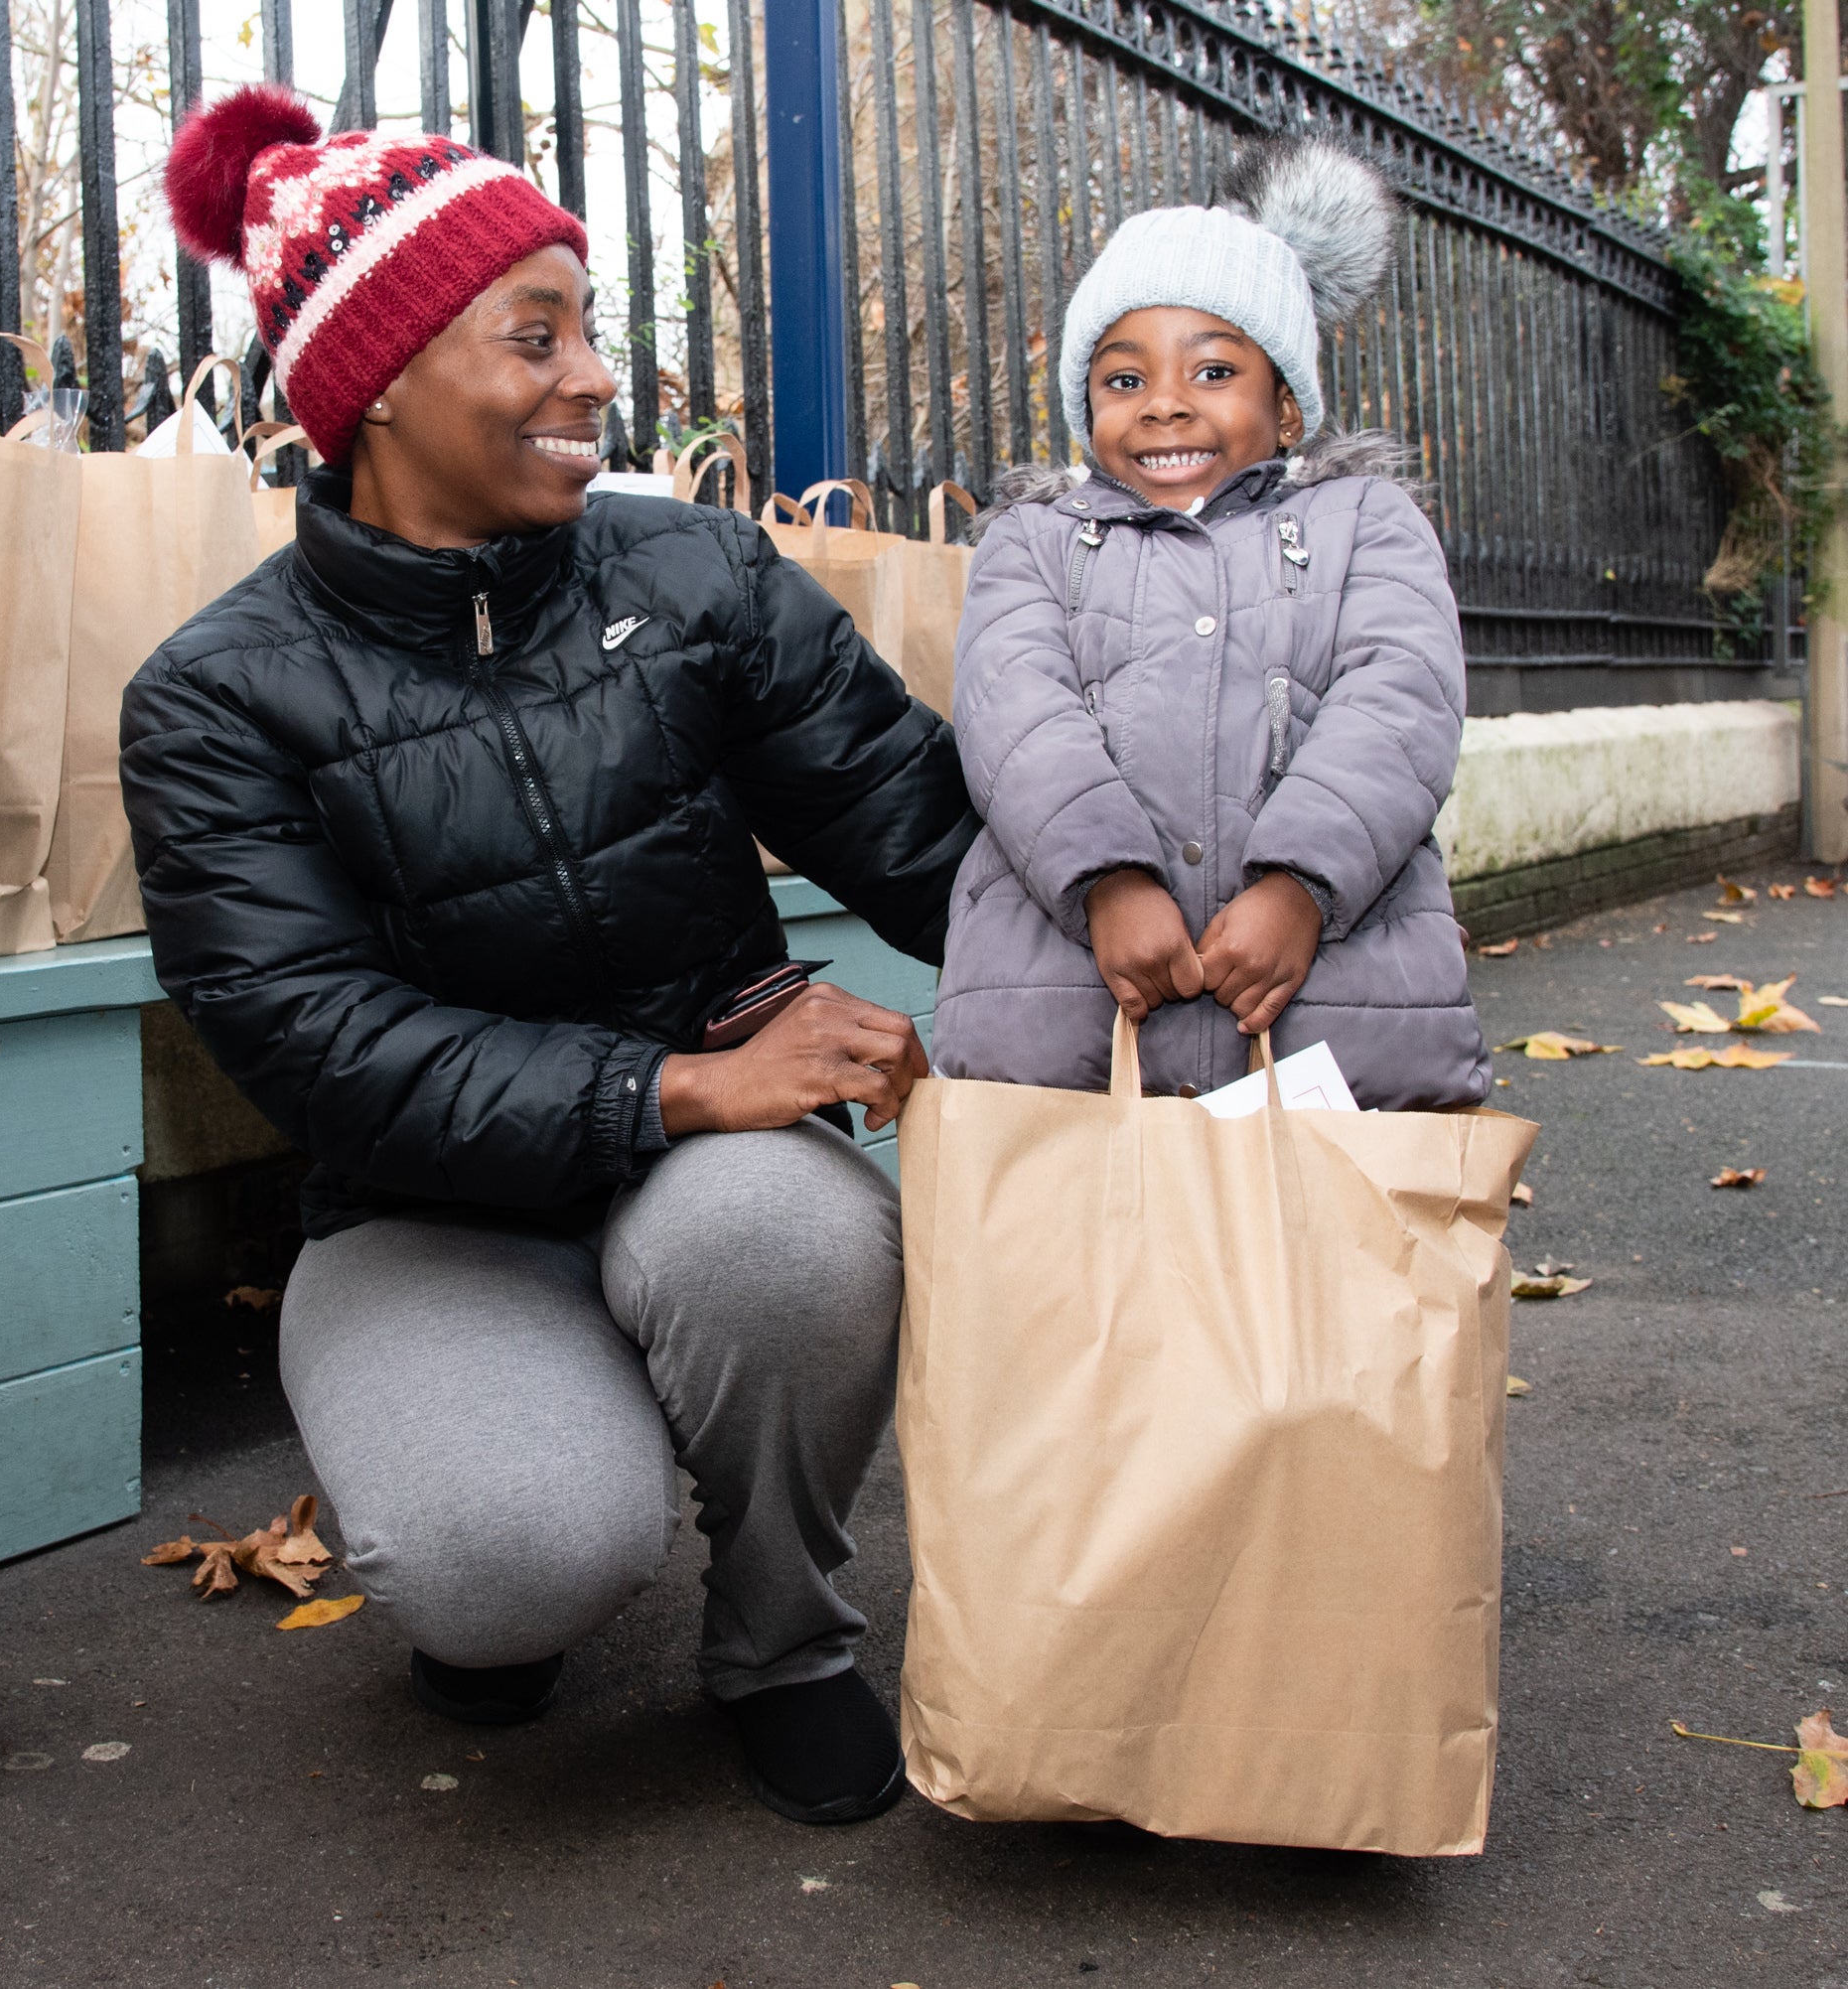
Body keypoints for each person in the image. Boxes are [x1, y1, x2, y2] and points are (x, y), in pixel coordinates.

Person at [121, 85, 977, 1824]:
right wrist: (679, 1082)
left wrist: (1173, 946)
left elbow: (924, 829)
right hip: (427, 1215)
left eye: (590, 326)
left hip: (715, 1179)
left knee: (797, 1243)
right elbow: (323, 1042)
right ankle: (512, 1545)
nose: (596, 375)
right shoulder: (217, 697)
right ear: (372, 384)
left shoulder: (693, 573)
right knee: (504, 1560)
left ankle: (786, 1641)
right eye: (538, 333)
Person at [937, 141, 1490, 1110]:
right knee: (1072, 1255)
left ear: (1286, 407)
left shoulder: (1367, 524)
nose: (1164, 403)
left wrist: (1300, 887)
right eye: (1123, 379)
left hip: (1339, 1017)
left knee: (1328, 1256)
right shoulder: (1031, 542)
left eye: (1214, 368)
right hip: (1064, 1020)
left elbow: (1401, 700)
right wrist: (1106, 880)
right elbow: (1015, 715)